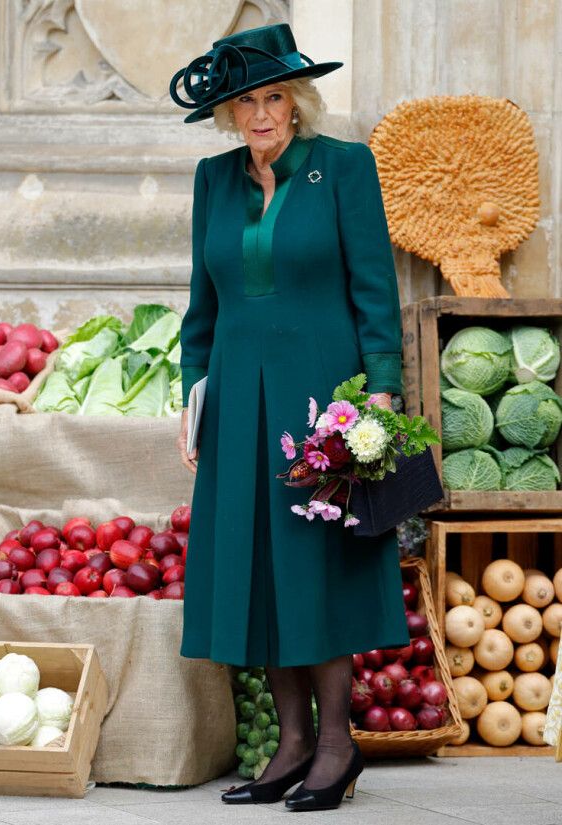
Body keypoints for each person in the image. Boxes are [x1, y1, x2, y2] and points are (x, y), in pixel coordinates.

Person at [170, 24, 408, 812]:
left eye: (274, 96)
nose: (262, 113)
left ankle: (338, 746)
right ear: (228, 114)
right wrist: (193, 391)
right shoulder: (213, 181)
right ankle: (293, 743)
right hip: (238, 398)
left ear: (298, 101)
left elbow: (375, 288)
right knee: (259, 568)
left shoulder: (344, 167)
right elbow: (200, 309)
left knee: (317, 566)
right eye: (246, 101)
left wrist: (381, 393)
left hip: (322, 395)